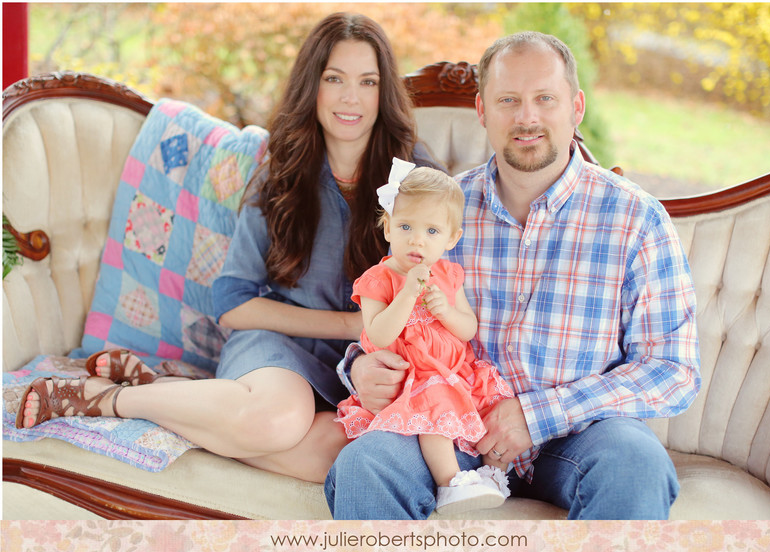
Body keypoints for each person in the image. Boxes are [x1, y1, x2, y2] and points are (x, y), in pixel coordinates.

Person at [14, 12, 437, 484]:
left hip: (363, 366)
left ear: (384, 92)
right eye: (333, 78)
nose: (350, 98)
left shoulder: (415, 174)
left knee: (344, 457)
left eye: (368, 81)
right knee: (277, 421)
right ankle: (106, 399)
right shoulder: (282, 171)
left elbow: (440, 277)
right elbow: (233, 305)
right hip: (277, 346)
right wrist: (346, 324)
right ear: (311, 87)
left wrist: (373, 343)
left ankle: (178, 399)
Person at [325, 31, 702, 519]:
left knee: (636, 462)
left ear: (577, 106)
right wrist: (358, 369)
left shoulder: (636, 219)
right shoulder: (437, 212)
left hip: (579, 434)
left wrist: (536, 414)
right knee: (365, 466)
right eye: (508, 101)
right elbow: (391, 311)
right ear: (482, 111)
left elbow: (673, 369)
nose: (527, 118)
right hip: (451, 423)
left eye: (545, 98)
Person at [336, 159, 515, 515]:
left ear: (451, 238)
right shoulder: (378, 279)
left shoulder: (448, 275)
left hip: (455, 370)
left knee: (495, 404)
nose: (417, 240)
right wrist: (406, 294)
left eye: (432, 232)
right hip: (413, 377)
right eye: (405, 226)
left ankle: (494, 474)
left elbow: (468, 329)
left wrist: (445, 311)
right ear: (387, 229)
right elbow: (380, 335)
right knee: (436, 408)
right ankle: (450, 483)